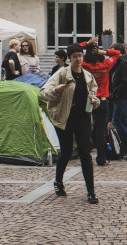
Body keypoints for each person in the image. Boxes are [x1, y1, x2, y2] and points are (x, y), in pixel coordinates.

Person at [41, 43, 99, 204]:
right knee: (66, 151)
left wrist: (95, 101)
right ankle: (58, 182)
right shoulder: (61, 74)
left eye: (80, 56)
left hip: (83, 118)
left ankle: (91, 191)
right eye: (75, 56)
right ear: (69, 58)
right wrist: (57, 90)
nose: (78, 59)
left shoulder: (88, 76)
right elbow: (44, 92)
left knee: (85, 153)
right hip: (64, 118)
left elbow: (95, 95)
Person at [82, 40, 120, 165]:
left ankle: (86, 155)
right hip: (102, 99)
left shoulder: (84, 65)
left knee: (86, 127)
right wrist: (103, 51)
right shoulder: (106, 64)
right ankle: (101, 158)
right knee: (101, 129)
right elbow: (117, 53)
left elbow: (73, 49)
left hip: (88, 99)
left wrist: (86, 44)